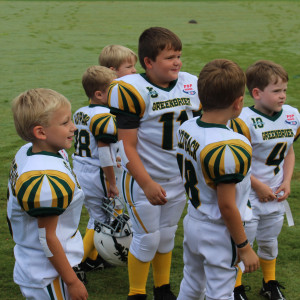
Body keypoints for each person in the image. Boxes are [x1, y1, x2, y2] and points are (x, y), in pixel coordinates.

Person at [108, 27, 201, 300]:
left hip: (178, 176)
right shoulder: (131, 89)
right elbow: (126, 146)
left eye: (179, 56)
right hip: (142, 177)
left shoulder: (190, 83)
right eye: (170, 57)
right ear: (148, 62)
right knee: (147, 238)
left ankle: (162, 288)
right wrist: (146, 182)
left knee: (167, 234)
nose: (177, 62)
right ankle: (136, 293)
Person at [176, 59, 260, 300]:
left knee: (191, 285)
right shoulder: (230, 145)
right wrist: (244, 246)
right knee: (220, 294)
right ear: (238, 103)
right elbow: (226, 204)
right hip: (220, 230)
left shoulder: (187, 127)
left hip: (194, 219)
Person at [7, 88, 88, 300]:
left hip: (37, 261)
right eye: (65, 123)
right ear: (41, 132)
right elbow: (47, 237)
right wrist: (72, 281)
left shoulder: (29, 150)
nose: (73, 127)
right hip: (47, 272)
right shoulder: (45, 179)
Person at [230, 60, 300, 300]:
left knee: (270, 241)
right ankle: (235, 287)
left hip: (276, 193)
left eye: (284, 90)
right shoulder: (243, 121)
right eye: (277, 91)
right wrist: (258, 186)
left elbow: (288, 150)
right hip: (248, 193)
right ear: (257, 93)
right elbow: (236, 163)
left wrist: (287, 181)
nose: (283, 96)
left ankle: (269, 283)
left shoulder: (292, 115)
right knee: (243, 242)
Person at [72, 66, 119, 276]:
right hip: (97, 172)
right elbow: (104, 154)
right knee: (100, 219)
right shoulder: (106, 116)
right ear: (99, 94)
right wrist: (112, 182)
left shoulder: (80, 112)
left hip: (80, 169)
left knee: (96, 215)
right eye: (113, 90)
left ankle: (93, 259)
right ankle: (77, 264)